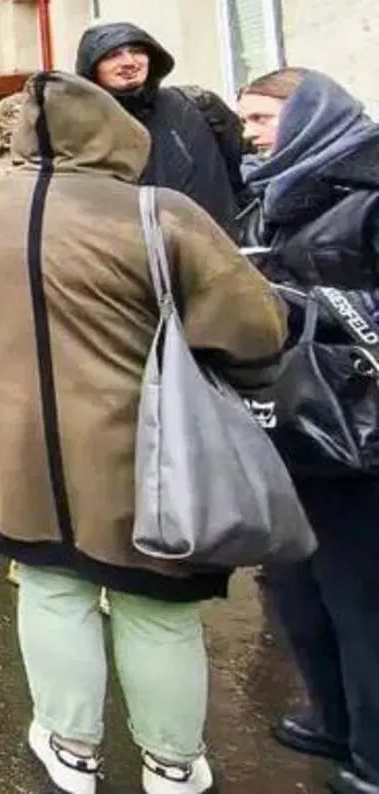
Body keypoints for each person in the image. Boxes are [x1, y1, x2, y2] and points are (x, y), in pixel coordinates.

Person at [0, 73, 284, 794]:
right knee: (156, 607)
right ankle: (172, 762)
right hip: (147, 447)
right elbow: (254, 330)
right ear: (120, 134)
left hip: (18, 441)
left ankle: (72, 746)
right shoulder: (162, 214)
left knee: (53, 588)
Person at [235, 68, 379, 794]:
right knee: (300, 587)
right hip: (295, 427)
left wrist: (301, 303)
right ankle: (332, 716)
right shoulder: (275, 196)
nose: (250, 135)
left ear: (310, 116)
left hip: (360, 437)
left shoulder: (369, 191)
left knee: (363, 598)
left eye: (262, 119)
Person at [76, 22, 245, 231]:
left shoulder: (198, 105)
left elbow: (239, 165)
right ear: (92, 67)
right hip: (132, 250)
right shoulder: (80, 125)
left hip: (212, 244)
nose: (129, 62)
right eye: (112, 56)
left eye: (137, 52)